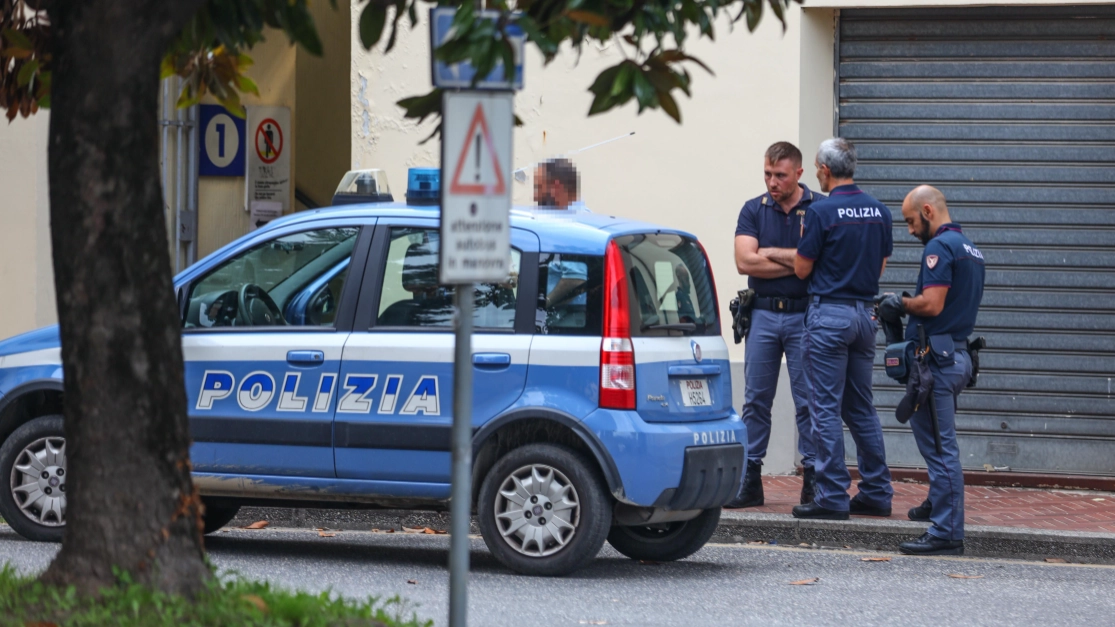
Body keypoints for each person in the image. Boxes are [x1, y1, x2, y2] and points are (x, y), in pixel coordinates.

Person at [877, 185, 985, 555]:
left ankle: (947, 531)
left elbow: (934, 305)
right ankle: (939, 505)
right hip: (956, 358)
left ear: (927, 210)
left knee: (941, 449)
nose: (909, 230)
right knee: (938, 443)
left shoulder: (939, 247)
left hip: (937, 363)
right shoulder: (971, 248)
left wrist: (900, 303)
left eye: (910, 221)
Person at [792, 138, 894, 520]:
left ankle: (832, 495)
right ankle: (877, 491)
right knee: (861, 407)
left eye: (817, 168)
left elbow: (802, 269)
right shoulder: (880, 211)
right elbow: (880, 266)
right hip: (864, 316)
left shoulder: (821, 212)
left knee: (824, 408)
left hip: (828, 316)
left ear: (824, 169)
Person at [726, 141, 821, 509]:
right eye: (767, 174)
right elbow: (744, 263)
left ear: (799, 173)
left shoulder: (818, 209)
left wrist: (769, 254)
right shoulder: (753, 210)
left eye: (780, 175)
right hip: (763, 313)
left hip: (804, 314)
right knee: (755, 400)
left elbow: (817, 266)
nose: (772, 182)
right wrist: (797, 262)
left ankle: (812, 478)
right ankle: (750, 478)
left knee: (808, 401)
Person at [534, 158, 589, 327]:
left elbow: (574, 279)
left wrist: (542, 306)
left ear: (556, 187)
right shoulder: (583, 218)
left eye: (539, 188)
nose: (535, 196)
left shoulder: (570, 225)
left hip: (567, 320)